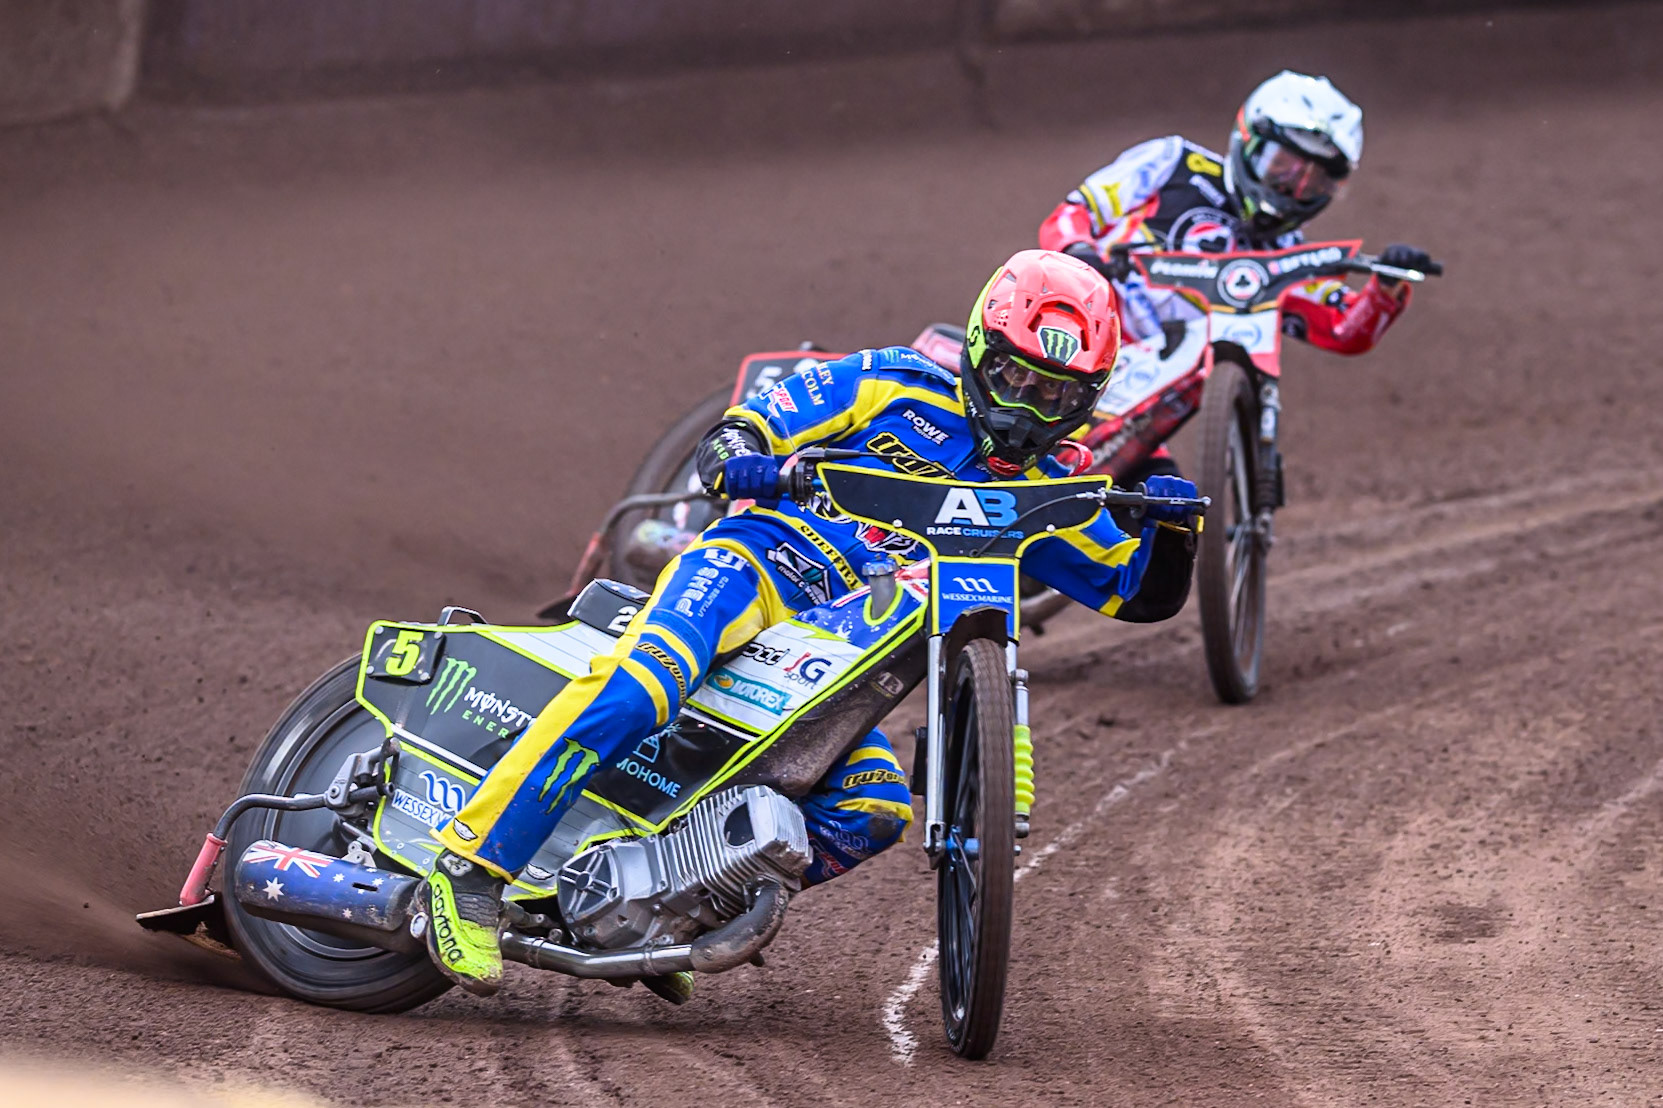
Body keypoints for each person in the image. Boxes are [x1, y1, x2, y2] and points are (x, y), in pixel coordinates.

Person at [417, 249, 1202, 998]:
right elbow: (730, 441)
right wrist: (759, 461)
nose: (1030, 408)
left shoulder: (1052, 488)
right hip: (751, 575)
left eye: (1057, 395)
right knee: (635, 694)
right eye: (1015, 377)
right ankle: (470, 871)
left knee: (871, 810)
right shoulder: (891, 382)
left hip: (832, 659)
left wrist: (1173, 530)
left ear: (1091, 397)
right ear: (976, 350)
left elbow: (1138, 596)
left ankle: (671, 905)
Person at [1037, 70, 1433, 481]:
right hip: (1073, 351)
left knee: (1167, 521)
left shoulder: (1288, 257)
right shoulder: (1171, 163)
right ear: (1249, 142)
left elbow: (1344, 328)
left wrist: (1386, 289)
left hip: (1137, 407)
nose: (1293, 188)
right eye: (1282, 166)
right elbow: (1072, 214)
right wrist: (1079, 251)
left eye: (1313, 181)